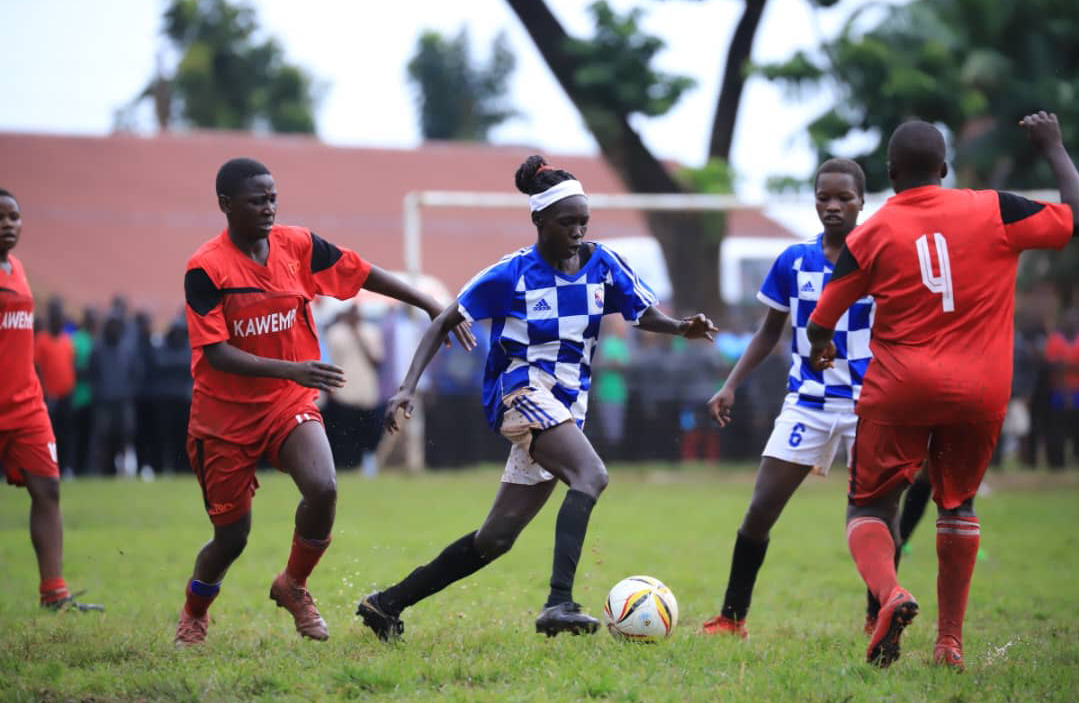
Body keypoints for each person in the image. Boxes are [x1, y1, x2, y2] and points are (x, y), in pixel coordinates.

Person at [356, 155, 718, 640]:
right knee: (591, 475)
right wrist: (406, 386)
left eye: (583, 222)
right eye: (567, 222)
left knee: (496, 538)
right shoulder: (510, 274)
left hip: (567, 407)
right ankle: (559, 603)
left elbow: (642, 312)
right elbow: (445, 318)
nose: (577, 231)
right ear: (539, 221)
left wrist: (680, 327)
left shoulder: (603, 262)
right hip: (521, 394)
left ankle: (386, 604)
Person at [807, 112, 1077, 669]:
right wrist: (1052, 146)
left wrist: (819, 346)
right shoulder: (995, 207)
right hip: (980, 390)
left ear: (889, 171)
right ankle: (949, 643)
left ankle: (891, 594)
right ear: (945, 168)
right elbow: (1074, 217)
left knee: (869, 506)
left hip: (901, 387)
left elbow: (822, 317)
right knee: (959, 502)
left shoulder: (872, 232)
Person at [174, 157, 473, 646]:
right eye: (256, 200)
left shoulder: (299, 245)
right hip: (223, 418)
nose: (269, 207)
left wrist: (428, 302)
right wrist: (292, 368)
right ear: (226, 205)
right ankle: (195, 609)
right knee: (232, 538)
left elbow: (361, 272)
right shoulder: (205, 269)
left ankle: (293, 585)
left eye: (272, 197)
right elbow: (216, 353)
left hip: (287, 402)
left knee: (324, 487)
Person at [700, 159, 872, 639]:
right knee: (759, 511)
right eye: (824, 197)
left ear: (863, 201)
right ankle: (732, 619)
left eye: (844, 198)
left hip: (869, 405)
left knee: (875, 517)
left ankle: (878, 620)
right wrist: (730, 383)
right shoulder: (794, 261)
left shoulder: (880, 259)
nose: (833, 206)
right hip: (808, 404)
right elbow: (768, 333)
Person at [0, 188, 102, 612]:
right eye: (1, 217)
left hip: (26, 404)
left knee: (49, 488)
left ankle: (54, 594)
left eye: (15, 217)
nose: (9, 224)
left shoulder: (18, 269)